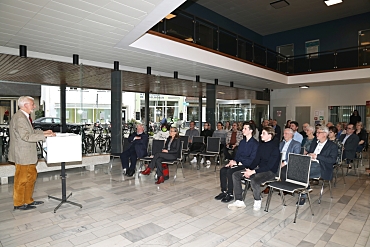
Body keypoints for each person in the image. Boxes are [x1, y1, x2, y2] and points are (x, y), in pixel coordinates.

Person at [9, 96, 56, 211]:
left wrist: (45, 132)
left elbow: (30, 131)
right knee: (21, 180)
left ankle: (28, 200)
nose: (34, 106)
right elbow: (26, 136)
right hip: (22, 155)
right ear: (25, 105)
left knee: (31, 177)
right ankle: (19, 203)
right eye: (32, 104)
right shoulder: (20, 118)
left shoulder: (24, 117)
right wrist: (44, 136)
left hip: (28, 155)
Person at [228, 126, 280, 211]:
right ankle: (239, 200)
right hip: (259, 169)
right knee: (236, 175)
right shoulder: (261, 146)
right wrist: (248, 169)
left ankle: (257, 199)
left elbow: (269, 167)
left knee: (254, 180)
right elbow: (256, 161)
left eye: (263, 134)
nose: (261, 135)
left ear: (270, 135)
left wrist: (253, 171)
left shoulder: (275, 149)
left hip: (270, 172)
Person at [214, 122, 259, 203]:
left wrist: (238, 163)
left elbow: (252, 160)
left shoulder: (255, 144)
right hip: (239, 163)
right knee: (223, 170)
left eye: (245, 128)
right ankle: (224, 191)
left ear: (251, 130)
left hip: (247, 165)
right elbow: (237, 155)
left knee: (230, 171)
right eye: (243, 128)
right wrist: (233, 161)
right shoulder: (242, 142)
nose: (243, 130)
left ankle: (230, 194)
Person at [299, 126, 338, 205]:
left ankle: (303, 194)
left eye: (318, 132)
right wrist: (308, 154)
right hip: (310, 162)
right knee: (296, 166)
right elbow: (310, 152)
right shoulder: (314, 142)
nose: (316, 134)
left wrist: (317, 156)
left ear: (325, 134)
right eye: (316, 132)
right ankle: (305, 187)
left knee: (303, 172)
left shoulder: (332, 146)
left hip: (322, 166)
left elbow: (333, 160)